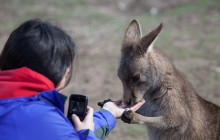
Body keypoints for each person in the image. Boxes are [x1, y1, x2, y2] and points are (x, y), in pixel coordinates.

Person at [0, 19, 145, 140]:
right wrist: (86, 134)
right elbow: (61, 132)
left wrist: (109, 113)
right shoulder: (45, 122)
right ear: (62, 70)